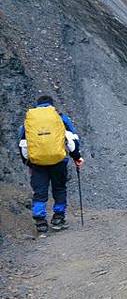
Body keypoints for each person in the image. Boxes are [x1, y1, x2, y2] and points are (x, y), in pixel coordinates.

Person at [18, 96, 84, 233]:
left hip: (37, 163)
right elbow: (72, 140)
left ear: (37, 105)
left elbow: (23, 144)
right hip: (58, 161)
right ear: (51, 105)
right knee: (59, 188)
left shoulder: (29, 121)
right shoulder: (60, 118)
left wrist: (28, 162)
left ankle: (40, 221)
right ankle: (58, 218)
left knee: (39, 192)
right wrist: (77, 157)